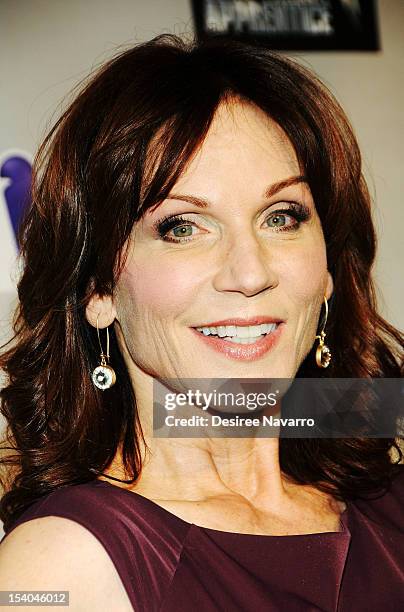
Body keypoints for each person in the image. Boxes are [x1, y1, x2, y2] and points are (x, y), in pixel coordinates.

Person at [0, 33, 403, 612]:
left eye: (282, 216)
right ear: (98, 290)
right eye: (182, 227)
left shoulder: (391, 508)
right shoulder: (62, 565)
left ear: (328, 269)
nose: (248, 272)